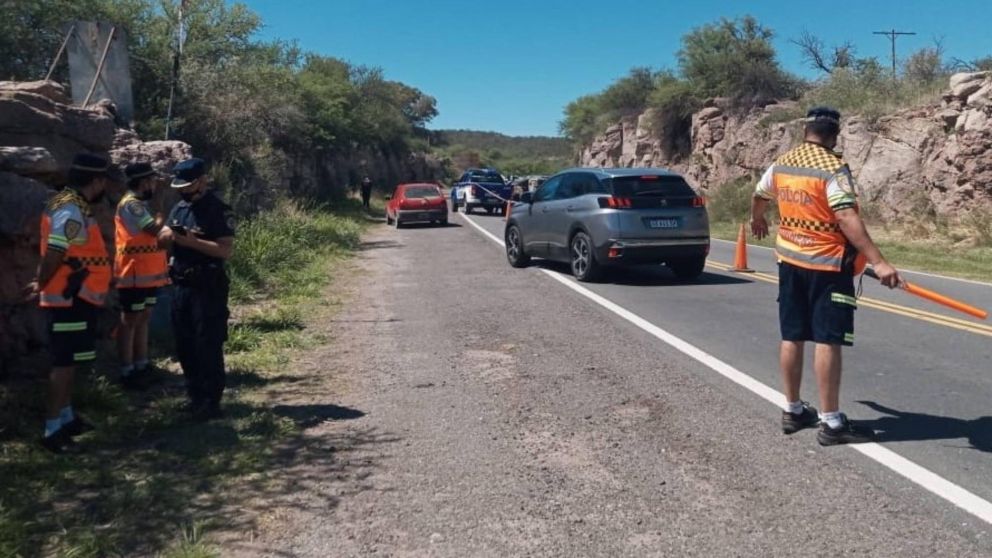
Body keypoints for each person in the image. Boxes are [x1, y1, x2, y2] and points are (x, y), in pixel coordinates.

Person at [750, 106, 902, 446]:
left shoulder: (784, 162)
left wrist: (757, 219)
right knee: (827, 339)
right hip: (828, 266)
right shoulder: (832, 168)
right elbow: (846, 216)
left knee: (792, 335)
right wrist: (878, 261)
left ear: (806, 131)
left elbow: (759, 194)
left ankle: (792, 410)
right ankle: (832, 423)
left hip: (790, 262)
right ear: (834, 135)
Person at [25, 153, 116, 453]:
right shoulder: (70, 210)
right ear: (97, 180)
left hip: (76, 296)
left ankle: (66, 416)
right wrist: (41, 283)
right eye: (105, 181)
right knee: (63, 363)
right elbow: (54, 253)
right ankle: (52, 429)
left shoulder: (70, 204)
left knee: (71, 361)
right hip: (68, 297)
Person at [157, 158, 235, 421]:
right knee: (185, 343)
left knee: (208, 343)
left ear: (202, 180)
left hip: (207, 286)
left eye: (189, 186)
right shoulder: (179, 206)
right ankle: (194, 396)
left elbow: (225, 250)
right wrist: (166, 236)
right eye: (180, 186)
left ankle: (212, 401)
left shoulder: (217, 209)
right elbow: (163, 238)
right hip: (181, 285)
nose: (184, 191)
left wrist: (192, 242)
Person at [114, 162, 169, 389]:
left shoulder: (140, 204)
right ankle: (127, 370)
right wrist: (160, 213)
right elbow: (153, 229)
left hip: (147, 274)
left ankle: (142, 364)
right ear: (144, 182)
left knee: (143, 317)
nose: (154, 185)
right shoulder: (132, 205)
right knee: (130, 321)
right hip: (133, 273)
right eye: (152, 181)